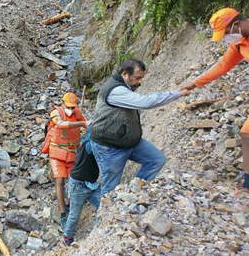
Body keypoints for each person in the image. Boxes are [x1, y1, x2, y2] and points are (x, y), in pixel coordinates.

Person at [89, 58, 190, 195]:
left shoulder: (125, 86)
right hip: (109, 147)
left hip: (130, 141)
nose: (140, 82)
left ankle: (134, 193)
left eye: (142, 78)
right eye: (137, 78)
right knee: (110, 190)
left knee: (156, 160)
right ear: (124, 73)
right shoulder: (116, 90)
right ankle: (106, 215)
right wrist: (177, 94)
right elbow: (145, 102)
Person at [179, 8, 249, 190]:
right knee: (246, 133)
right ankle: (248, 182)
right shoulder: (240, 43)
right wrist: (194, 84)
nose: (226, 38)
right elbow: (223, 65)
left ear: (236, 25)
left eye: (226, 33)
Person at [41, 92, 89, 229]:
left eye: (73, 107)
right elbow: (61, 124)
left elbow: (87, 126)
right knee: (60, 180)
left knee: (72, 181)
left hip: (73, 153)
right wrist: (82, 123)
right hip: (57, 152)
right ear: (62, 103)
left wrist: (89, 127)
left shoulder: (77, 114)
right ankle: (62, 213)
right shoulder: (56, 113)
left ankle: (68, 204)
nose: (71, 109)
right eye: (69, 106)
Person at [62, 135, 101, 247]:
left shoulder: (89, 143)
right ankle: (67, 237)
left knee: (103, 206)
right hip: (78, 185)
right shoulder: (89, 145)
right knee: (74, 214)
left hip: (92, 184)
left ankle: (96, 233)